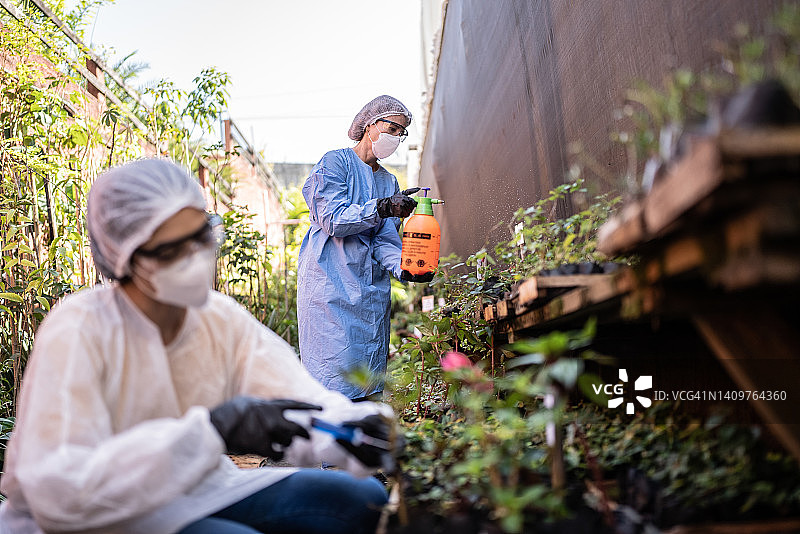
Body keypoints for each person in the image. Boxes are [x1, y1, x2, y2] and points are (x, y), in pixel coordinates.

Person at [0, 158, 395, 534]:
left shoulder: (216, 317)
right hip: (92, 514)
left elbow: (298, 396)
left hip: (194, 489)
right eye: (170, 250)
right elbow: (60, 490)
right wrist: (212, 431)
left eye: (201, 236)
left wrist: (354, 429)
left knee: (362, 498)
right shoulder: (81, 327)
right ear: (123, 258)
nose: (194, 256)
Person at [297, 95, 429, 401]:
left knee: (368, 384)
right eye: (392, 128)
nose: (396, 137)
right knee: (333, 382)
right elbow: (332, 219)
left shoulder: (388, 181)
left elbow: (384, 241)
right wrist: (381, 207)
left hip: (369, 294)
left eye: (401, 133)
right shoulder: (335, 163)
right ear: (370, 125)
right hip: (330, 288)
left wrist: (405, 268)